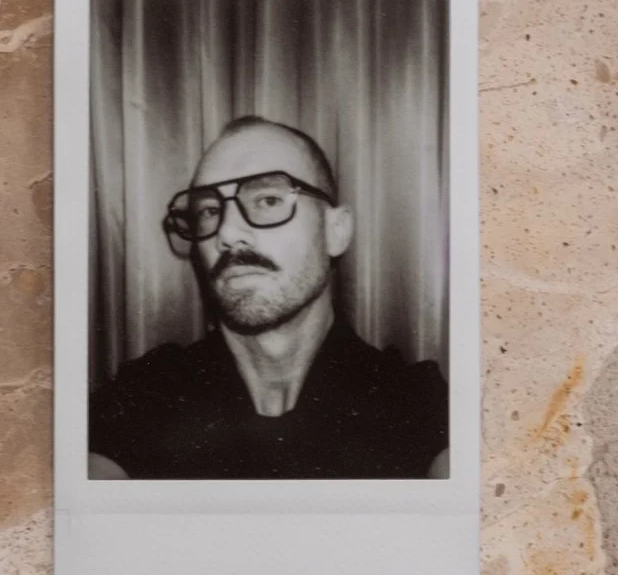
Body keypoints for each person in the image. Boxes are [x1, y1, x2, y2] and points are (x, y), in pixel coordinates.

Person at [89, 113, 449, 479]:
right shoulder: (147, 394)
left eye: (268, 200)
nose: (227, 233)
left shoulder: (413, 402)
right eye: (209, 211)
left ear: (336, 231)